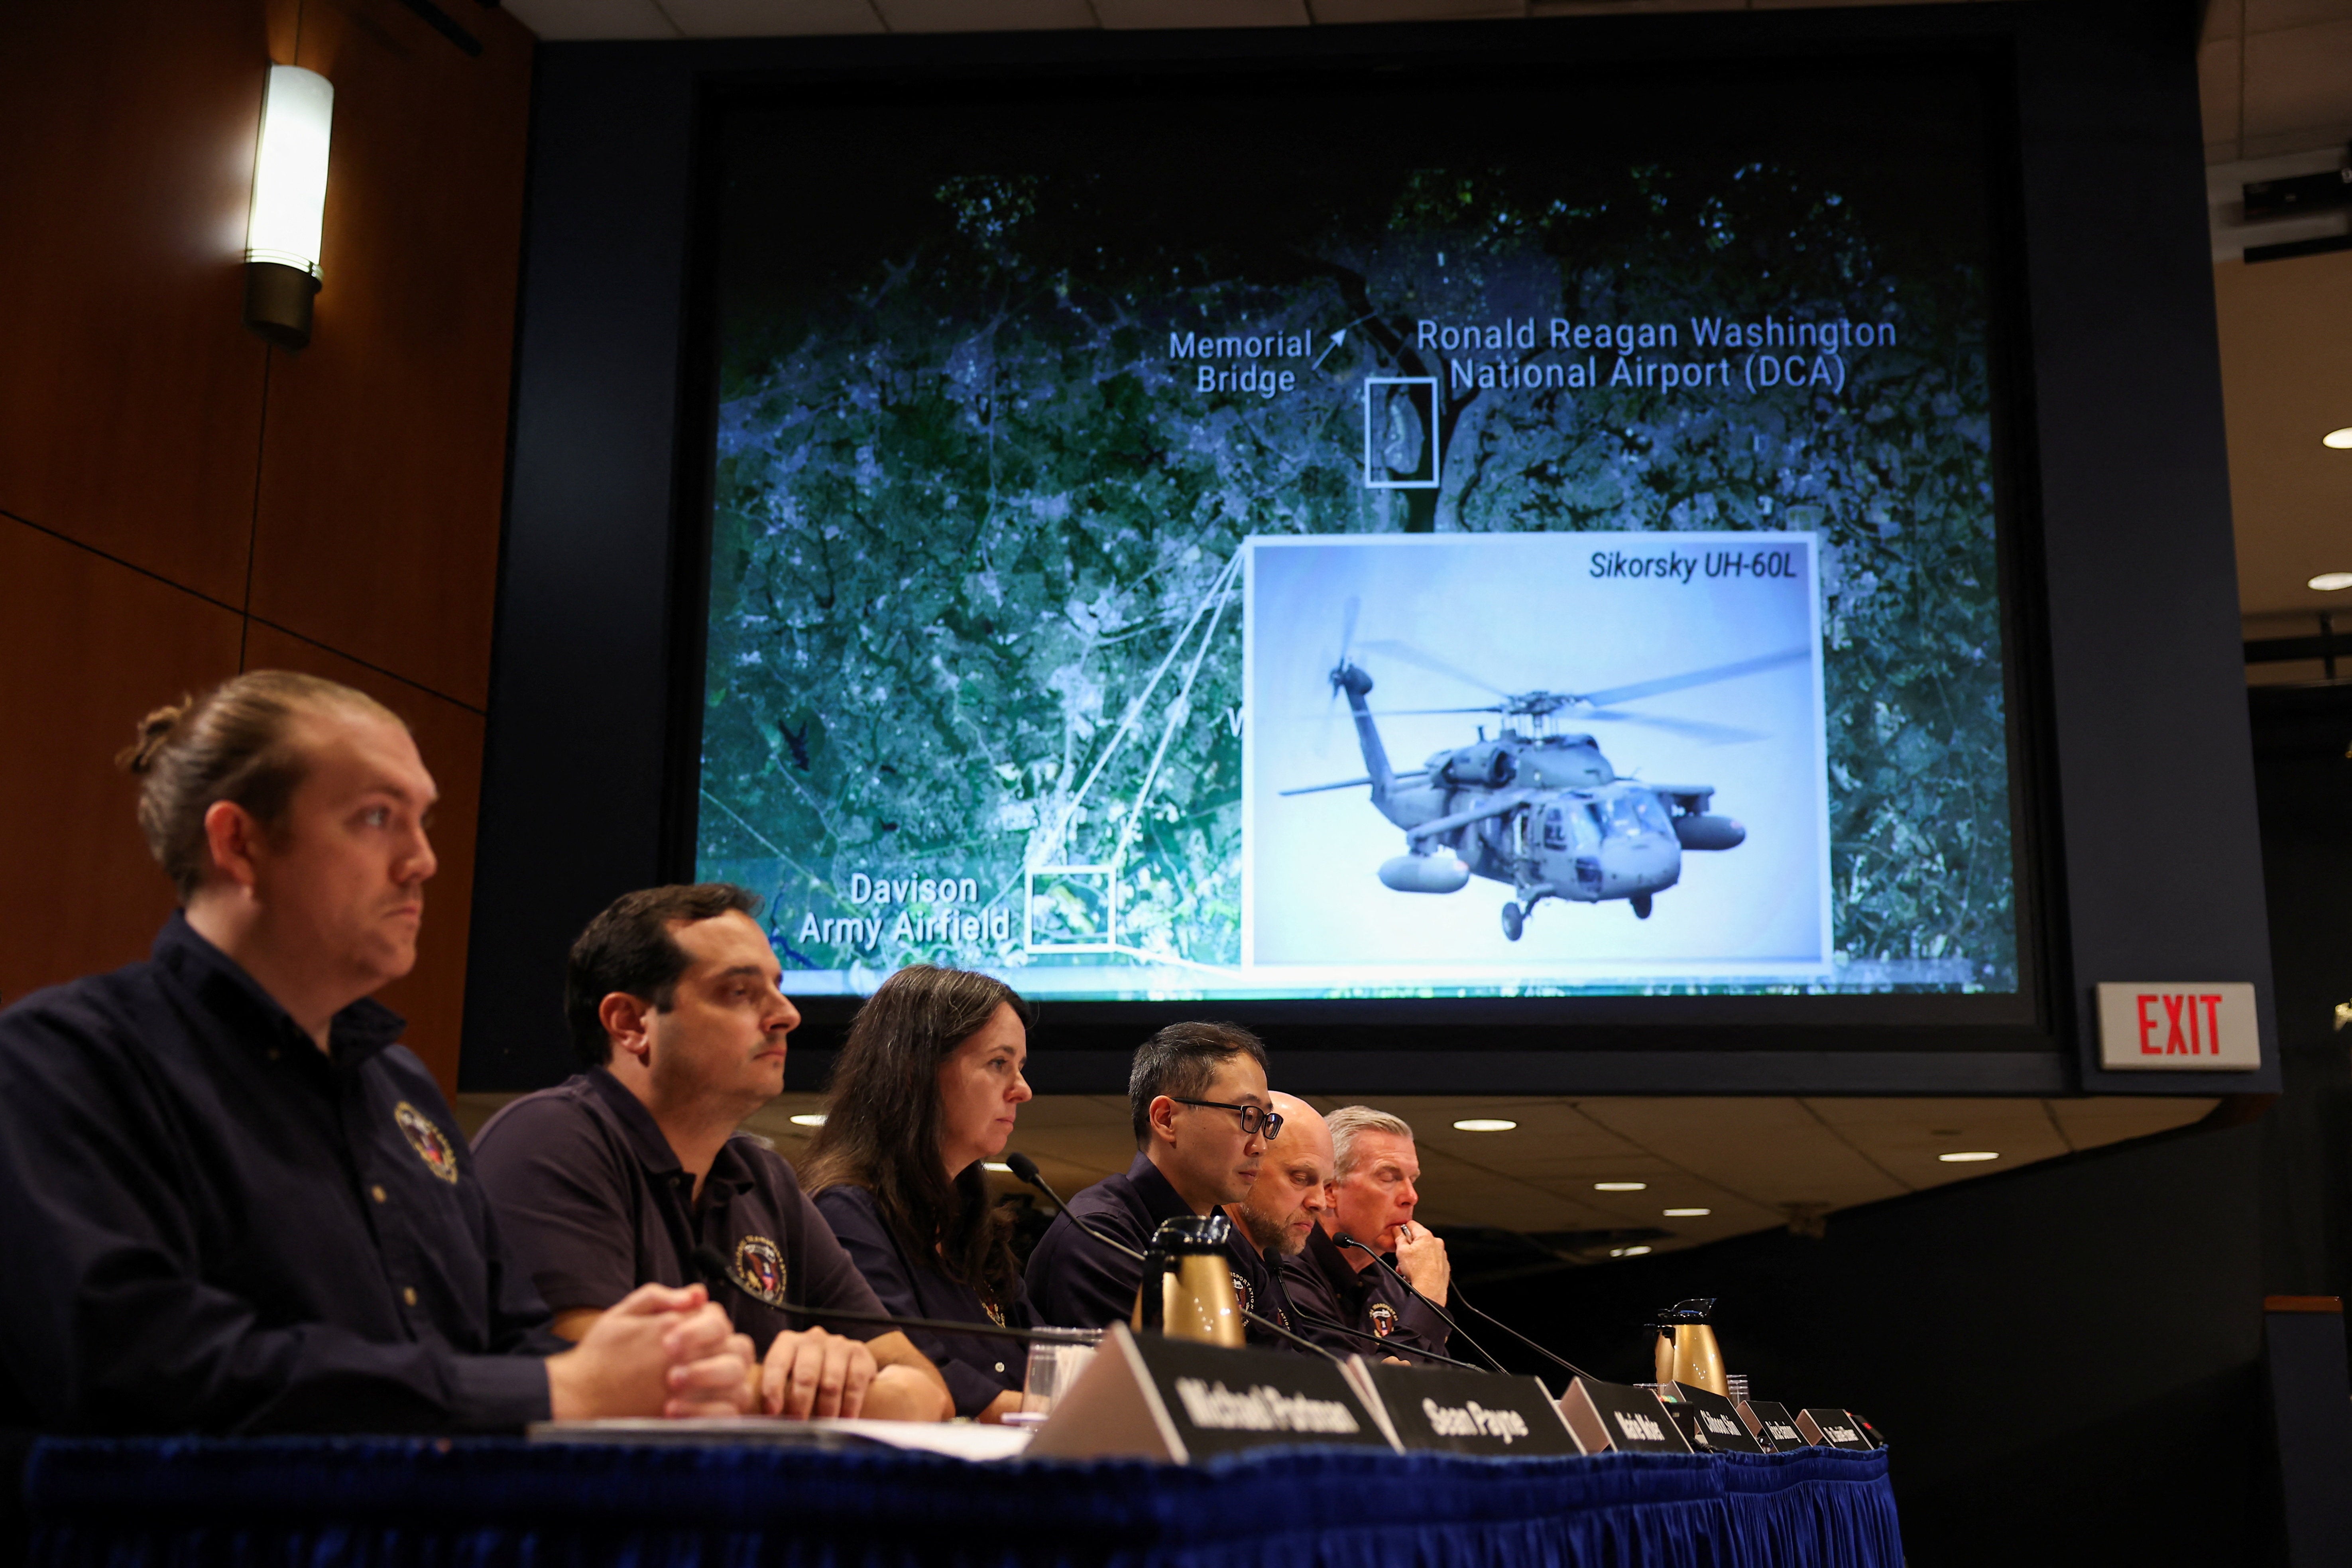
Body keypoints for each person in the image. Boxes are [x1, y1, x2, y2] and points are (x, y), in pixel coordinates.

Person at [0, 672, 751, 1434]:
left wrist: (656, 1365)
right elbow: (139, 1363)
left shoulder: (400, 1087)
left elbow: (507, 1339)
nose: (423, 859)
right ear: (240, 842)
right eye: (375, 817)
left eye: (423, 819)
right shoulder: (66, 1060)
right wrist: (558, 1392)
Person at [472, 885, 953, 1421]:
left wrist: (825, 1385)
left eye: (778, 987)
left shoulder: (764, 1177)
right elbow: (611, 1387)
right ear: (631, 1024)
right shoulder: (549, 1141)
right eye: (741, 992)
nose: (787, 1015)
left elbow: (928, 1391)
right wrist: (803, 1389)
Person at [800, 965, 1037, 1422]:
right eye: (998, 1064)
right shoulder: (845, 1214)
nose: (1023, 1090)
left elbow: (1044, 1358)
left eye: (1020, 1068)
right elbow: (925, 1378)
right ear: (914, 1072)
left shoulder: (972, 1222)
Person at [1023, 1021, 1282, 1344]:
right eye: (1248, 1115)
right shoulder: (1097, 1236)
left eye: (1266, 1121)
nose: (1261, 1145)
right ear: (1166, 1118)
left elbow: (1286, 1365)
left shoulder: (1223, 1237)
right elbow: (1157, 1383)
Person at [1283, 1105, 1453, 1359]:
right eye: (1388, 1178)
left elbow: (1434, 1387)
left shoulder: (1389, 1284)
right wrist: (1429, 1294)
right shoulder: (1286, 1270)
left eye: (1412, 1180)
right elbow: (1363, 1391)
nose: (1411, 1197)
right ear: (1329, 1190)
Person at [1219, 1091, 1332, 1347]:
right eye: (1300, 1178)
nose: (1320, 1203)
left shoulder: (1271, 1266)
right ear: (1247, 1167)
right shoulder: (1204, 1257)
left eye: (1326, 1185)